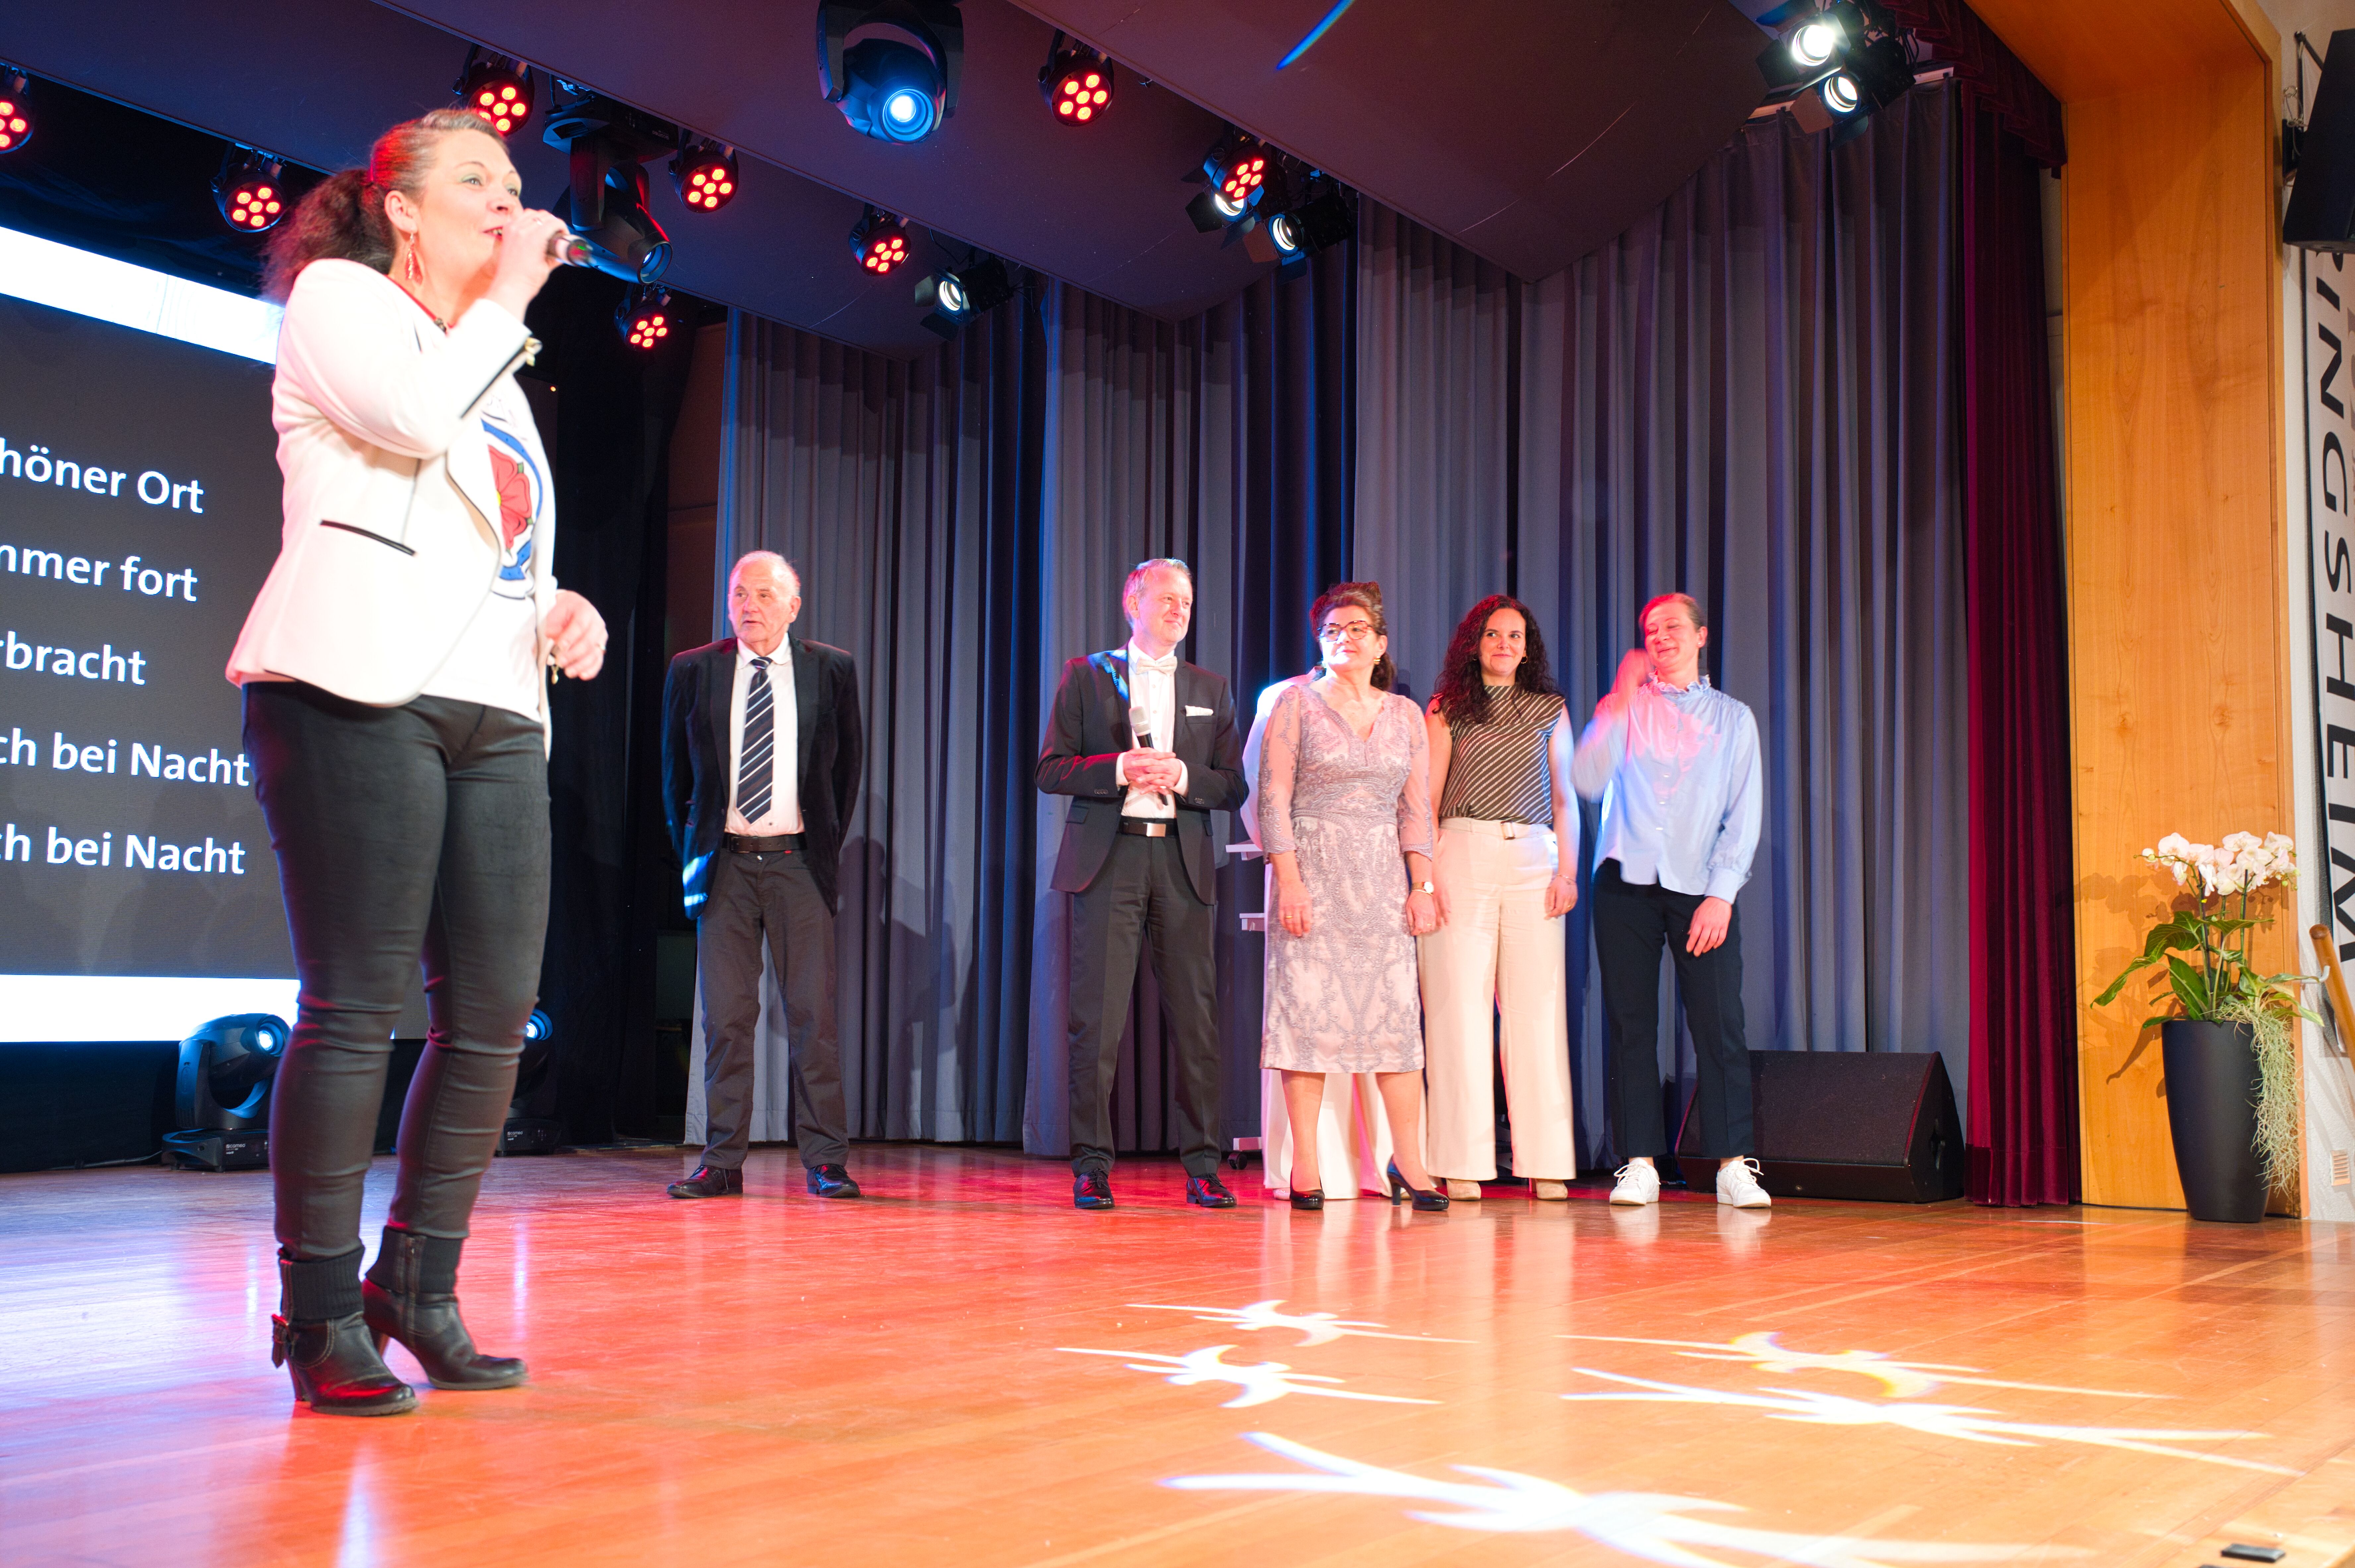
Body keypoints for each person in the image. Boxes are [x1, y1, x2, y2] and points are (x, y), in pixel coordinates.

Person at [229, 109, 605, 1416]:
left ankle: (420, 1287)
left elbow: (502, 548)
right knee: (353, 1007)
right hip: (352, 684)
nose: (509, 202)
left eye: (517, 185)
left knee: (493, 1018)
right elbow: (406, 416)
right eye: (479, 182)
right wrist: (507, 302)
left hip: (497, 703)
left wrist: (563, 606)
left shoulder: (499, 374)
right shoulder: (342, 302)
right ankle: (319, 1312)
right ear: (403, 208)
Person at [1037, 558, 1249, 1211]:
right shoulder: (1086, 674)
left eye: (1187, 601)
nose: (1180, 610)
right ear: (1134, 604)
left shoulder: (1211, 687)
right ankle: (1091, 1166)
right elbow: (1051, 769)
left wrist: (1182, 777)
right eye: (1167, 599)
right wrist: (1119, 768)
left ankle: (1204, 1167)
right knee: (1095, 1024)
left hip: (1182, 864)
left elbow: (1233, 786)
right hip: (1111, 861)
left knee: (1197, 1023)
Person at [661, 553, 864, 1202]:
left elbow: (846, 773)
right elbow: (675, 776)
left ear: (793, 606)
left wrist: (818, 846)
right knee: (725, 1021)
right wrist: (696, 853)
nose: (750, 605)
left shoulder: (831, 669)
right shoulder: (693, 669)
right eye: (740, 594)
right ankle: (721, 1162)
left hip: (797, 864)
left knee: (812, 1018)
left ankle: (826, 1161)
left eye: (765, 595)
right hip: (724, 866)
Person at [1571, 592, 1768, 1209]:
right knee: (1631, 1024)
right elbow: (1586, 779)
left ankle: (1734, 1164)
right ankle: (1640, 1163)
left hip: (1700, 886)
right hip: (1625, 880)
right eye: (1651, 629)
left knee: (1719, 1023)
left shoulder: (1733, 718)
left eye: (1673, 626)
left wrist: (1722, 894)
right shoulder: (1624, 707)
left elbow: (1744, 814)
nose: (1660, 636)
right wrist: (1618, 697)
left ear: (1701, 636)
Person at [1257, 582, 1447, 1213]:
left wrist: (1422, 886)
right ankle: (1305, 1165)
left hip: (1383, 884)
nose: (1345, 637)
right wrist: (1289, 881)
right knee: (1306, 1020)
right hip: (1312, 877)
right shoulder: (1295, 704)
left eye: (1358, 628)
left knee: (1396, 1022)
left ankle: (1410, 1161)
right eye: (1333, 629)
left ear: (1381, 643)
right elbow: (1273, 798)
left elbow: (1416, 809)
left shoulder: (1405, 714)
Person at [1419, 594, 1578, 1202]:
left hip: (1535, 858)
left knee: (1537, 1011)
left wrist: (1568, 873)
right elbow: (1426, 800)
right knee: (1458, 1009)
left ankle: (1547, 1160)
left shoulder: (1549, 710)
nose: (1504, 644)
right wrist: (1425, 879)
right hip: (1461, 850)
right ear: (1474, 643)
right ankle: (1460, 1161)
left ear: (1528, 647)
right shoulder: (1447, 708)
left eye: (1515, 636)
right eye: (1493, 634)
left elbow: (1565, 798)